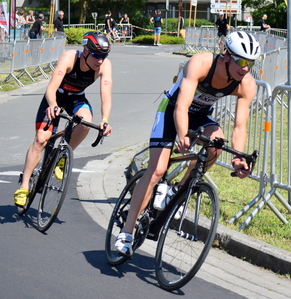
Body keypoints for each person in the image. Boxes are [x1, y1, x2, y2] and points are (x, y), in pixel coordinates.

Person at [114, 31, 261, 257]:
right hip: (172, 110)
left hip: (200, 115)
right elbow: (181, 107)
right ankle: (127, 231)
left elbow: (240, 126)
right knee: (157, 170)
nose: (245, 68)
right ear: (226, 55)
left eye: (250, 63)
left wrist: (239, 158)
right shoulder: (201, 63)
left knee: (217, 143)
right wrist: (183, 135)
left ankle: (180, 189)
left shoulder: (247, 84)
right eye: (241, 61)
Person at [13, 31, 113, 207]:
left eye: (104, 56)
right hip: (56, 97)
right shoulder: (70, 57)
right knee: (41, 140)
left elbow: (106, 96)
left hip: (76, 98)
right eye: (96, 55)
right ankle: (24, 186)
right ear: (85, 51)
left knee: (85, 122)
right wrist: (52, 105)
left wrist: (105, 119)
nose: (100, 60)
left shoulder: (105, 66)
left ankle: (62, 158)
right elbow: (51, 88)